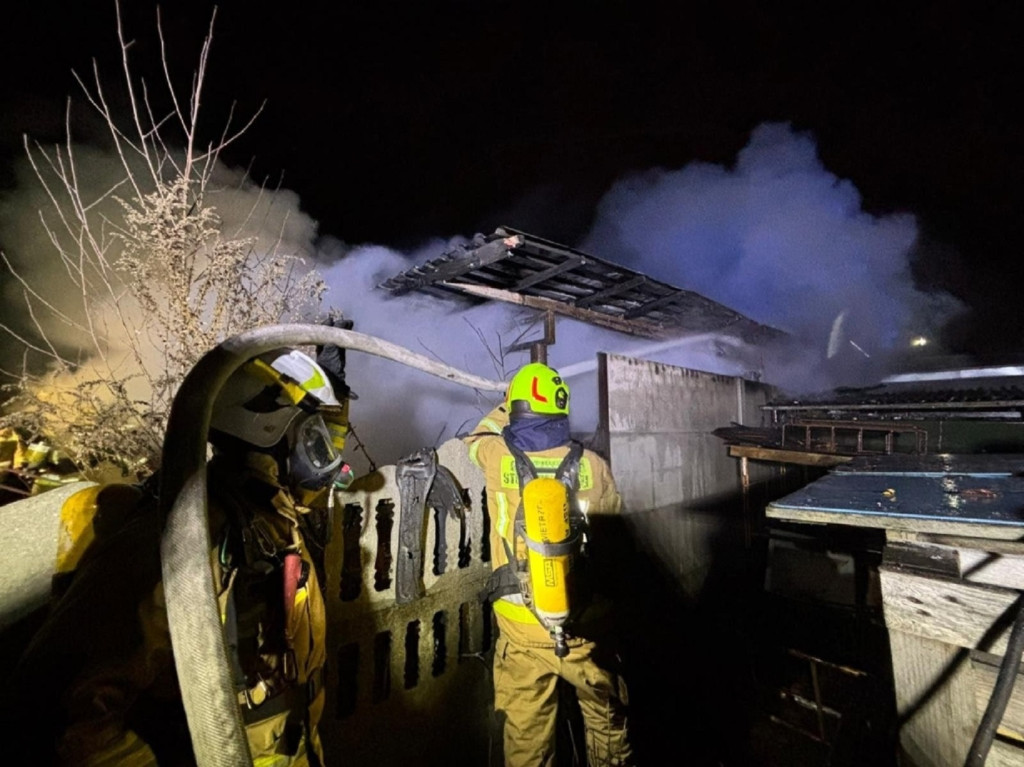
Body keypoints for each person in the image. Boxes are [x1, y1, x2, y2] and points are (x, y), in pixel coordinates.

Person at [7, 346, 352, 766]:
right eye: (311, 436)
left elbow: (312, 490)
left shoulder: (271, 515)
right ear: (266, 433)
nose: (323, 452)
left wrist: (336, 402)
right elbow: (71, 710)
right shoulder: (187, 534)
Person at [464, 361, 634, 767]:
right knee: (607, 722)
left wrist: (504, 403)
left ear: (517, 407)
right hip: (586, 628)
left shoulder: (497, 457)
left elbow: (476, 436)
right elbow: (617, 544)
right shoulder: (594, 466)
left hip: (521, 628)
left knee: (527, 736)